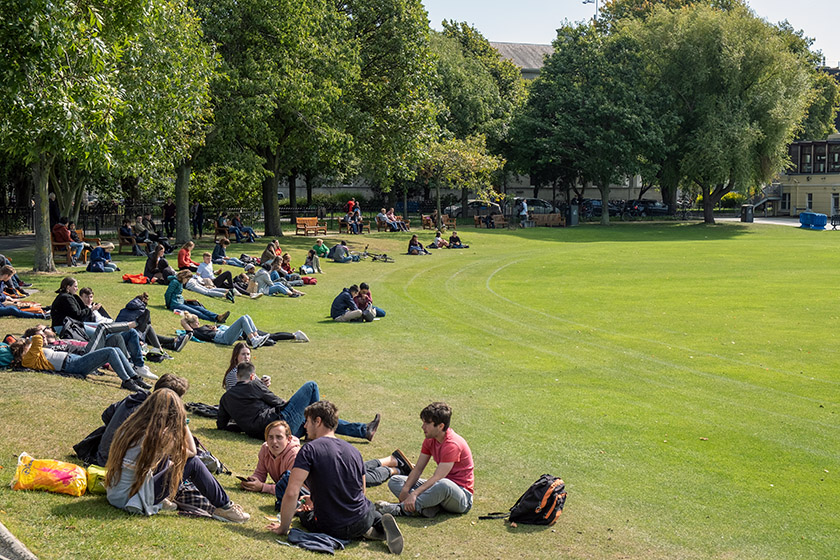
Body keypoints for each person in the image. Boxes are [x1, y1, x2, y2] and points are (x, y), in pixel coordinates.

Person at [266, 401, 403, 555]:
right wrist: (315, 497)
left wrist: (283, 528)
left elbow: (292, 492)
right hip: (361, 518)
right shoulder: (354, 451)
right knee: (367, 507)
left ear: (318, 421)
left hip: (334, 525)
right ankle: (376, 525)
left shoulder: (309, 450)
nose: (304, 427)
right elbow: (361, 491)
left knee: (305, 515)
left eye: (307, 422)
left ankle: (366, 530)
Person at [105, 389, 250, 522]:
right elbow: (191, 452)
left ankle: (162, 499)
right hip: (130, 499)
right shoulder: (155, 435)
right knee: (193, 463)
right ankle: (225, 507)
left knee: (165, 459)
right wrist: (183, 423)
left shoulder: (132, 426)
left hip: (115, 494)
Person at [217, 362, 380, 442]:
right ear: (252, 376)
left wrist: (243, 426)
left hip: (266, 435)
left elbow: (221, 425)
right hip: (280, 424)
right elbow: (276, 402)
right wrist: (295, 405)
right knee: (311, 387)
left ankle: (363, 431)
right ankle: (316, 430)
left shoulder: (225, 399)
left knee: (311, 419)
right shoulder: (253, 384)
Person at [375, 402, 474, 519]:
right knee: (395, 481)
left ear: (441, 426)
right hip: (438, 488)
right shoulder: (430, 439)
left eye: (427, 423)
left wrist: (414, 494)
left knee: (444, 484)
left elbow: (438, 477)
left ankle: (401, 509)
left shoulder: (452, 444)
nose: (423, 427)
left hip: (461, 496)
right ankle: (429, 506)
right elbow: (418, 469)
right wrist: (406, 490)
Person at [81, 374, 190, 467]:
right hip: (118, 463)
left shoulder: (135, 398)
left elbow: (106, 415)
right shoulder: (153, 413)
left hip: (102, 453)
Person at [12, 333, 150, 392]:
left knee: (114, 349)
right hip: (72, 366)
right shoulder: (27, 359)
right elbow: (38, 338)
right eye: (26, 346)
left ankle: (134, 377)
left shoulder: (31, 356)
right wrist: (29, 339)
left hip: (74, 361)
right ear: (23, 349)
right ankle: (127, 381)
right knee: (110, 351)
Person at [164, 270, 230, 323]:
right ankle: (216, 320)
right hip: (175, 304)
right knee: (197, 313)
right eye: (187, 279)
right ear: (184, 277)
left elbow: (177, 294)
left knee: (200, 308)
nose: (187, 281)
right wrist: (168, 305)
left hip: (181, 302)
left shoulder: (179, 282)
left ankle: (217, 316)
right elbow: (167, 294)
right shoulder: (175, 282)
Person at [180, 312, 270, 348]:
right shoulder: (194, 332)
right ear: (190, 325)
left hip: (222, 333)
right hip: (222, 338)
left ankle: (256, 337)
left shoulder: (201, 328)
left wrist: (214, 328)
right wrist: (186, 319)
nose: (198, 324)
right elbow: (184, 322)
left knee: (247, 316)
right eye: (196, 323)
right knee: (242, 319)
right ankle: (253, 340)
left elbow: (212, 329)